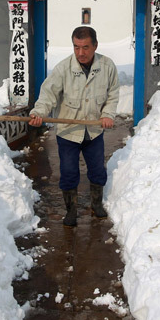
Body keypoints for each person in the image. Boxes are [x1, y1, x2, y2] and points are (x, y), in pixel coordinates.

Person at [29, 26, 119, 227]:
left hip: (94, 131)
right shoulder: (63, 69)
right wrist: (39, 113)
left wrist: (107, 115)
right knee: (69, 173)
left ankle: (96, 204)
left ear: (95, 45)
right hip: (68, 133)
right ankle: (71, 210)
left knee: (97, 171)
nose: (81, 53)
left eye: (86, 47)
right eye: (76, 47)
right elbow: (47, 96)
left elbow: (112, 94)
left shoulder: (107, 66)